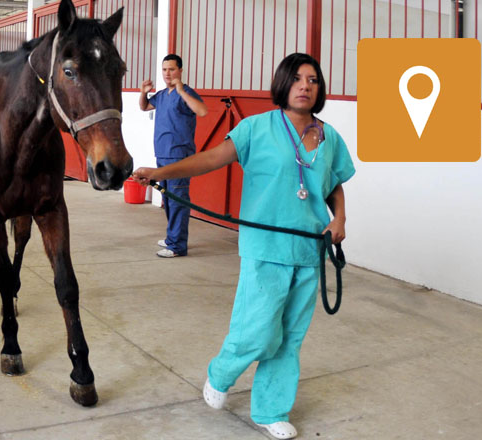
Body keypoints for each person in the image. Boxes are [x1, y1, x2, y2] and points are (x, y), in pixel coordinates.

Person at [132, 53, 354, 440]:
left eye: (313, 80)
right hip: (265, 245)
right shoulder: (257, 128)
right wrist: (161, 173)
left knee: (289, 336)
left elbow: (333, 183)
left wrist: (340, 219)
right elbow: (210, 159)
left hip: (308, 249)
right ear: (283, 84)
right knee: (257, 329)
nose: (306, 86)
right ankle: (221, 373)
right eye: (298, 78)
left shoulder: (329, 136)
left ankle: (271, 410)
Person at [139, 54, 208, 258]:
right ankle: (172, 238)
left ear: (180, 71)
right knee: (168, 199)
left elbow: (202, 111)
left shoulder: (186, 93)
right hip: (162, 155)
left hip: (179, 155)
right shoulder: (161, 95)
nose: (167, 74)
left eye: (171, 69)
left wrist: (180, 90)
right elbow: (144, 107)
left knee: (178, 199)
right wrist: (143, 93)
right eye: (164, 70)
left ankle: (177, 246)